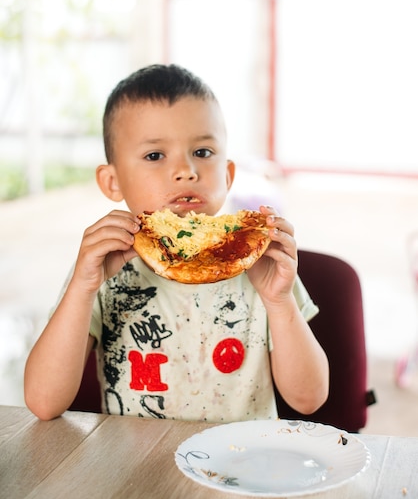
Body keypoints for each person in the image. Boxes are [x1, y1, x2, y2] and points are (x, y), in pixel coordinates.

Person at [24, 64, 329, 422]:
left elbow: (309, 399)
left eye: (202, 152)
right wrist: (82, 285)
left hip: (241, 465)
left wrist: (279, 302)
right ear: (112, 182)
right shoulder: (101, 274)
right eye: (155, 156)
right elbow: (43, 403)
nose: (186, 171)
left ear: (228, 176)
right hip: (139, 470)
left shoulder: (260, 268)